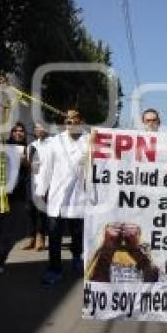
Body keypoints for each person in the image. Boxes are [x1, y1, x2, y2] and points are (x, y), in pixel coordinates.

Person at [35, 109, 92, 285]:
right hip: (58, 196)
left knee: (77, 233)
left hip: (79, 196)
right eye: (67, 120)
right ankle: (54, 269)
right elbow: (46, 168)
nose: (70, 122)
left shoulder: (90, 140)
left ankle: (76, 256)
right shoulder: (55, 142)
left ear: (80, 121)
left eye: (74, 119)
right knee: (54, 235)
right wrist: (41, 191)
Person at [0, 123, 30, 274]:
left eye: (22, 131)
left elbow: (37, 168)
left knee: (8, 229)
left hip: (17, 195)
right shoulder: (3, 146)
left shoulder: (29, 149)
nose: (19, 133)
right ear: (11, 133)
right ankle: (2, 243)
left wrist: (26, 162)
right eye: (16, 131)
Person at [23, 123, 51, 251]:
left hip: (46, 180)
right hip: (32, 180)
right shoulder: (31, 146)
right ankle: (31, 236)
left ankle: (41, 236)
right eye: (37, 128)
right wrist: (26, 163)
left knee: (41, 209)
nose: (39, 130)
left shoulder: (52, 145)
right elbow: (28, 165)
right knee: (29, 209)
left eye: (42, 127)